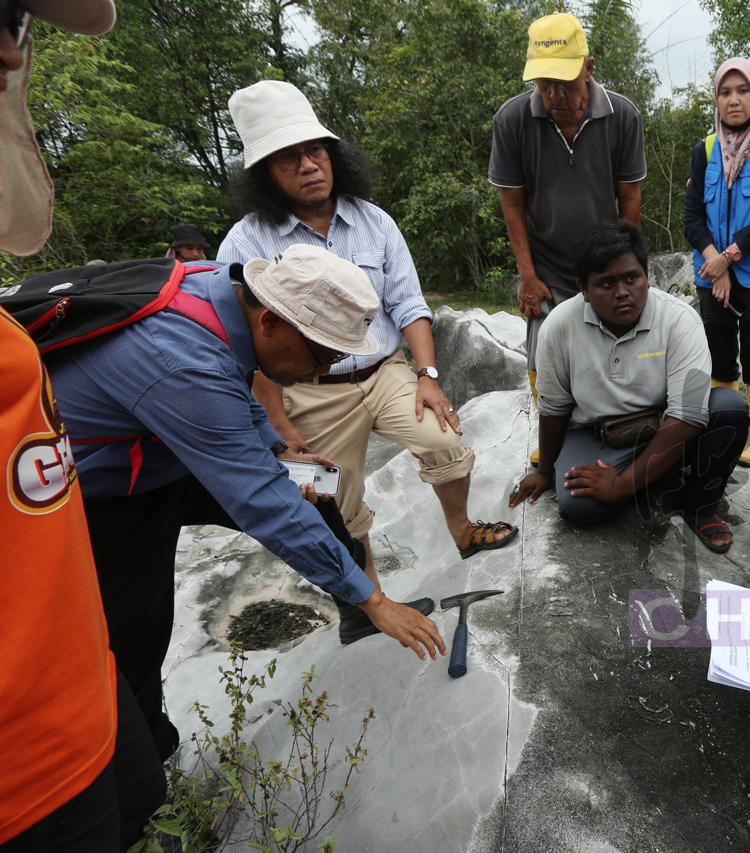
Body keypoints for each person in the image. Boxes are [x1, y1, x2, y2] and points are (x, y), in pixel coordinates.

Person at [44, 245, 448, 763]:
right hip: (104, 485)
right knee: (136, 631)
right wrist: (376, 597)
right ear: (273, 323)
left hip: (160, 443)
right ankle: (142, 774)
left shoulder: (223, 286)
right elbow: (264, 503)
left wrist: (280, 449)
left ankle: (354, 614)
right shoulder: (178, 358)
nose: (318, 371)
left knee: (314, 488)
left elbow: (233, 381)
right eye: (321, 355)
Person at [219, 80, 516, 574]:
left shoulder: (374, 222)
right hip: (309, 390)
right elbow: (242, 346)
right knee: (334, 496)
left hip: (384, 371)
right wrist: (282, 427)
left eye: (315, 150)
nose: (309, 165)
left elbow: (409, 305)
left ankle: (462, 531)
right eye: (288, 158)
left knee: (444, 439)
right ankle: (367, 601)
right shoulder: (246, 242)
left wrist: (427, 376)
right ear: (264, 175)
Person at [1, 1, 163, 848]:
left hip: (80, 696)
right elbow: (251, 478)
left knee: (143, 795)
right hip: (23, 783)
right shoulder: (185, 355)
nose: (9, 49)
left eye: (16, 19)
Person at [508, 220, 749, 553]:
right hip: (598, 434)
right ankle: (658, 478)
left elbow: (689, 416)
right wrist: (545, 472)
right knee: (577, 506)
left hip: (668, 428)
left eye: (632, 278)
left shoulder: (679, 319)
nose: (622, 292)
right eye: (606, 283)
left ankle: (700, 504)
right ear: (584, 289)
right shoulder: (559, 326)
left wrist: (621, 485)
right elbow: (554, 410)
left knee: (729, 408)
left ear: (646, 277)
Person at [489, 12, 646, 463]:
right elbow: (513, 204)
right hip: (549, 261)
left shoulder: (623, 116)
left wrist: (628, 271)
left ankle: (615, 424)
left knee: (614, 340)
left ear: (589, 68)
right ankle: (552, 434)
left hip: (604, 260)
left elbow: (629, 201)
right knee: (543, 345)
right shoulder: (513, 120)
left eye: (563, 81)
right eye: (543, 82)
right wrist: (528, 276)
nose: (554, 94)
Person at [683, 57, 750, 467]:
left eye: (742, 90)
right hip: (713, 272)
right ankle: (725, 429)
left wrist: (728, 258)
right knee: (719, 353)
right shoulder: (705, 148)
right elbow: (691, 217)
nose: (734, 100)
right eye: (725, 92)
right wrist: (715, 262)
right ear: (716, 98)